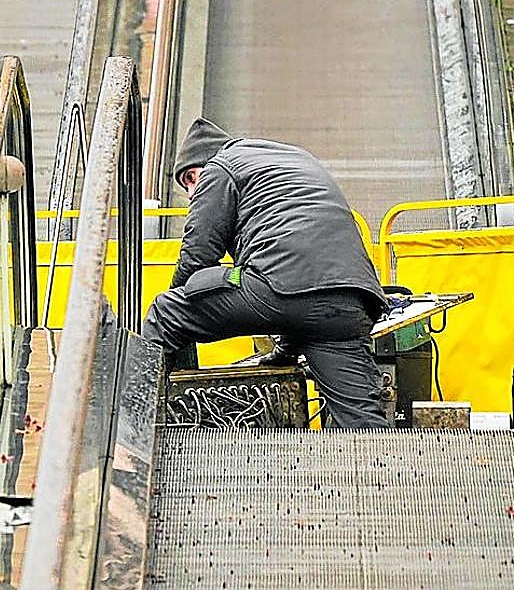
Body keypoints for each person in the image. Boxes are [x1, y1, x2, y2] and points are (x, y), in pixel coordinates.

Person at [141, 118, 390, 428]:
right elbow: (304, 280)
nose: (192, 192)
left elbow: (198, 255)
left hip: (285, 290)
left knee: (166, 314)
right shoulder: (295, 158)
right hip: (351, 303)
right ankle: (376, 458)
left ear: (206, 159)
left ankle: (138, 428)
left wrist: (178, 297)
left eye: (191, 178)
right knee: (360, 419)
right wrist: (284, 352)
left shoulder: (221, 166)